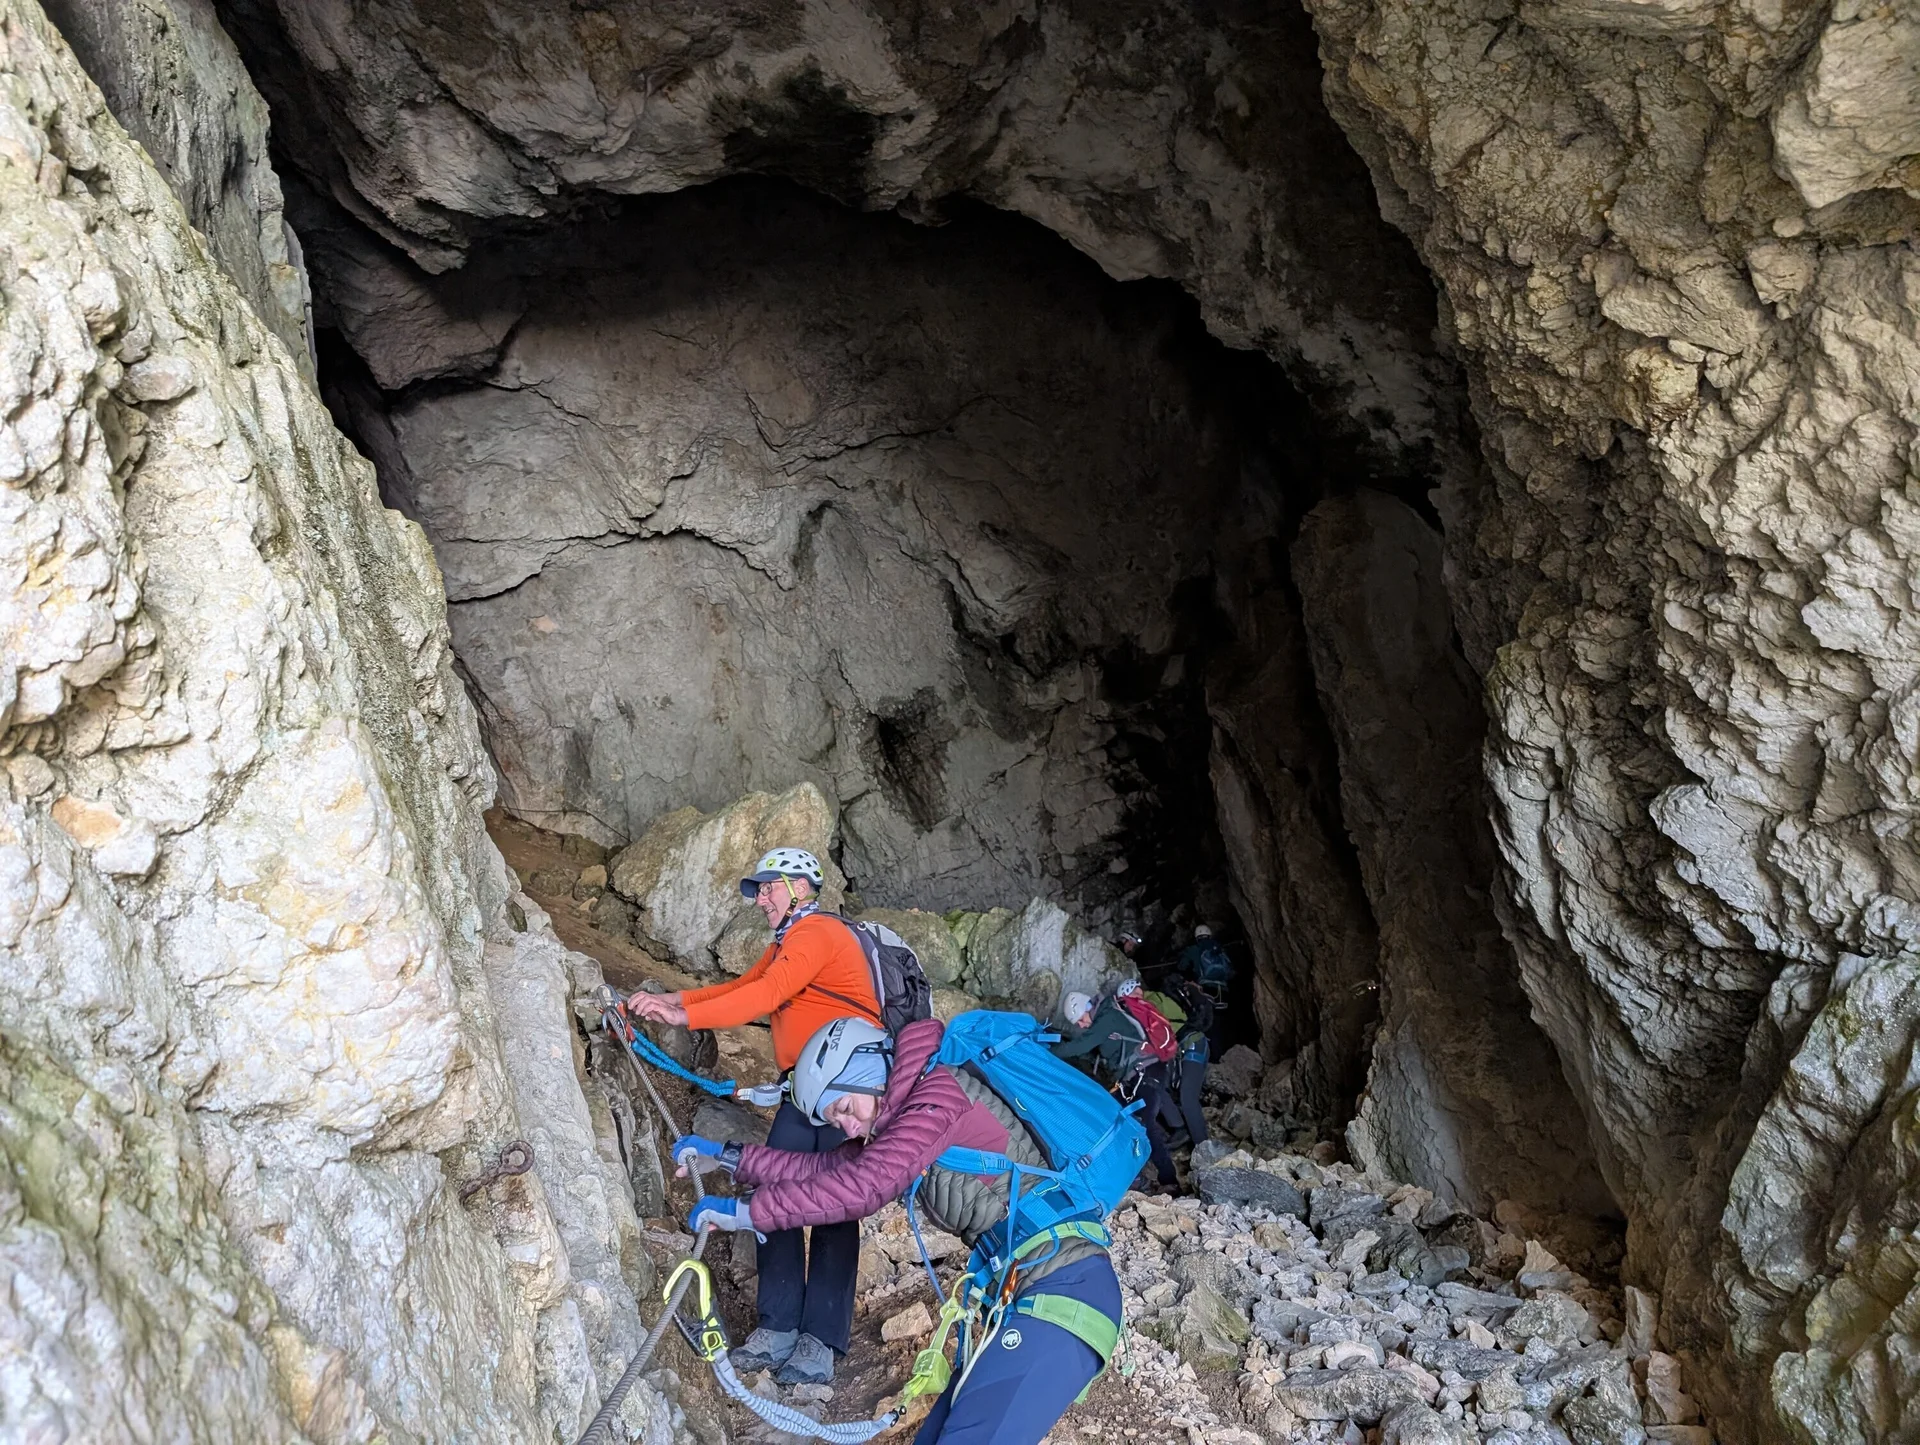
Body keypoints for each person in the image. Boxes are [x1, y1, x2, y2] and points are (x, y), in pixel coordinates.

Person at [671, 1015, 1124, 1445]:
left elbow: (862, 1189)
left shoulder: (939, 1094)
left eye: (845, 1107)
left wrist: (745, 1213)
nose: (848, 1126)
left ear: (867, 1071)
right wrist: (727, 1157)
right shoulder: (904, 1120)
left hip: (1065, 1296)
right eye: (836, 1121)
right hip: (1024, 1297)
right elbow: (823, 1168)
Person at [625, 846, 876, 1384]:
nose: (760, 899)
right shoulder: (788, 940)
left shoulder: (819, 933)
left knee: (835, 1208)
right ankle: (778, 1326)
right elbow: (742, 987)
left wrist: (683, 1016)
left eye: (768, 887)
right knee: (773, 1189)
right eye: (758, 890)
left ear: (800, 888)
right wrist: (677, 1001)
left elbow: (765, 996)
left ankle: (819, 1341)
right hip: (803, 1095)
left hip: (847, 1097)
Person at [1052, 989, 1179, 1193]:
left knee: (1145, 1124)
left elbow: (1080, 1046)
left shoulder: (1107, 1017)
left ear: (1087, 1008)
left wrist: (1046, 1052)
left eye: (1080, 1020)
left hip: (1146, 1072)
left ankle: (1169, 1181)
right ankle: (1135, 1178)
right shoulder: (1107, 1016)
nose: (1081, 1026)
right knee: (1110, 1118)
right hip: (1134, 1077)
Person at [1151, 975, 1213, 1149]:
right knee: (1160, 1086)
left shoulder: (1158, 1000)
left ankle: (1203, 1148)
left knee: (1188, 1098)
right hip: (1186, 1046)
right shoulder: (1178, 1001)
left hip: (1192, 1044)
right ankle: (1180, 1129)